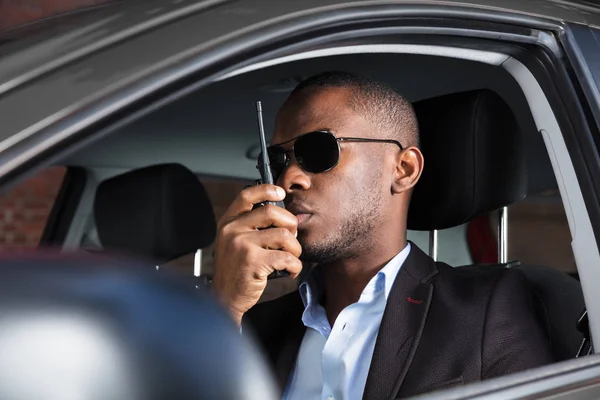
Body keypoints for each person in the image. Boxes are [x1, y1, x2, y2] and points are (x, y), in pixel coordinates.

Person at [212, 71, 553, 399]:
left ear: (404, 170)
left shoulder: (486, 310)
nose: (289, 179)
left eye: (319, 151)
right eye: (278, 161)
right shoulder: (248, 325)